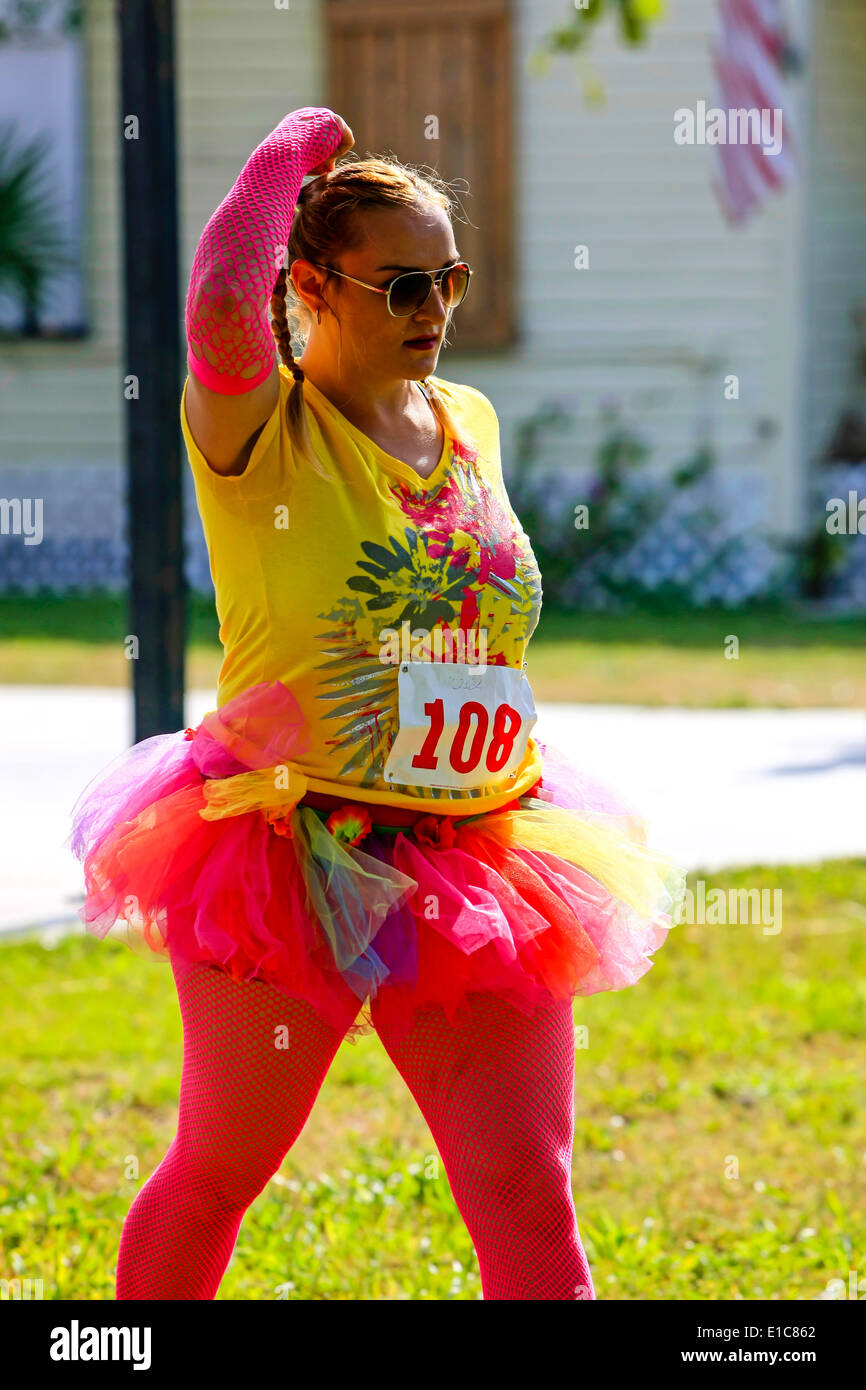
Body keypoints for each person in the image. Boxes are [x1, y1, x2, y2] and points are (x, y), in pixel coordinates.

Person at [67, 107, 686, 1301]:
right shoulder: (259, 427)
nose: (434, 311)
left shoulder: (469, 424)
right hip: (283, 846)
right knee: (220, 1167)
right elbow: (212, 309)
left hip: (476, 852)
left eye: (446, 278)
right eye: (401, 285)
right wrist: (287, 155)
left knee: (522, 1181)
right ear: (309, 284)